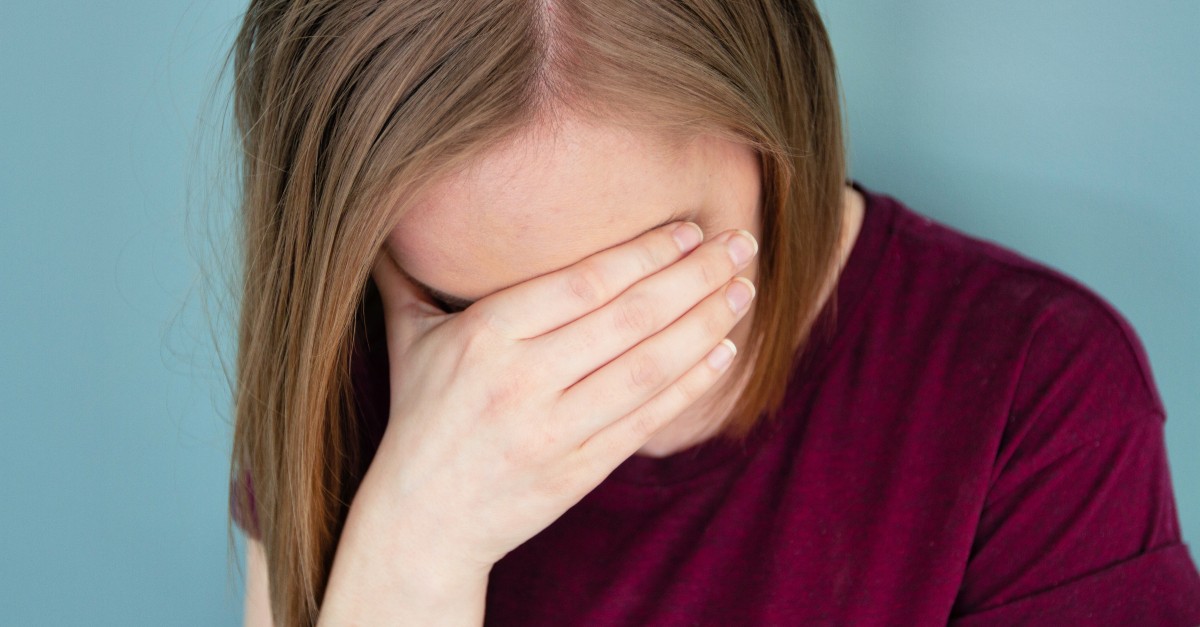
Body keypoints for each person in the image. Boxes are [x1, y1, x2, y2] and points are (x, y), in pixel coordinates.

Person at [224, 1, 1200, 625]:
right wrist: (418, 542)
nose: (576, 372)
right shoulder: (349, 372)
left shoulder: (1035, 386)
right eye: (471, 313)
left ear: (772, 125)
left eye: (659, 273)